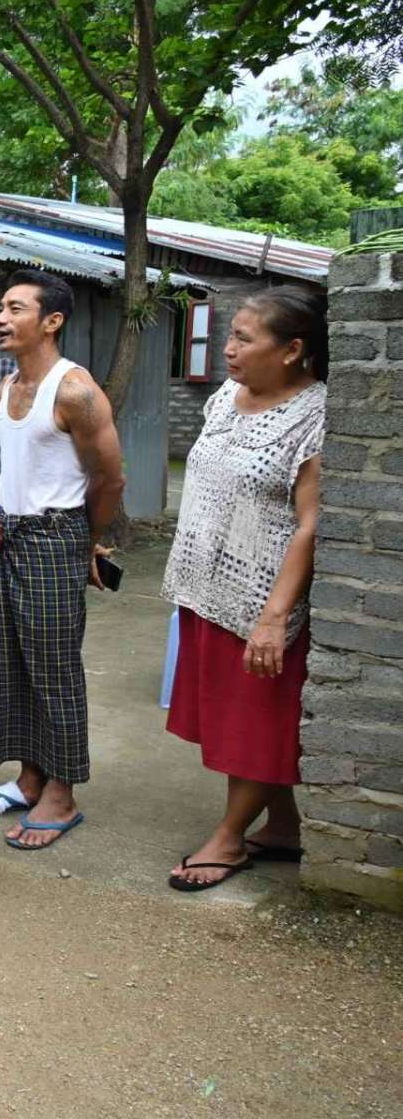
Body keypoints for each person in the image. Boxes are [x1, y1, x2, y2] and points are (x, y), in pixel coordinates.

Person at [161, 287, 327, 891]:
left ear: (292, 350)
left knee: (255, 725)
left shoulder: (315, 418)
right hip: (205, 587)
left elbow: (310, 524)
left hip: (260, 598)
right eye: (229, 335)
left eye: (243, 339)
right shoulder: (224, 400)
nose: (227, 349)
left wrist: (274, 617)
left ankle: (229, 840)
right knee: (235, 719)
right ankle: (282, 825)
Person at [0, 269, 125, 849]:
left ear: (52, 321)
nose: (1, 319)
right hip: (3, 535)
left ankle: (62, 792)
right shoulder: (7, 385)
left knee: (54, 668)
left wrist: (87, 542)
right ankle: (30, 776)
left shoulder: (75, 391)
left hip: (54, 538)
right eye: (1, 307)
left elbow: (110, 478)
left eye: (16, 309)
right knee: (5, 657)